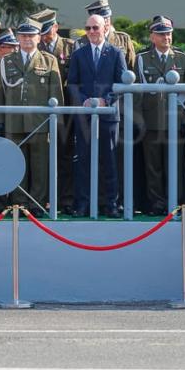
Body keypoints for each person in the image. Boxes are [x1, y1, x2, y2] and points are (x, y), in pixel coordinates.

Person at [0, 18, 63, 212]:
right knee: (16, 163)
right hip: (13, 121)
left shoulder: (49, 60)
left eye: (31, 36)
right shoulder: (7, 61)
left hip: (40, 123)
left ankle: (37, 203)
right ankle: (19, 203)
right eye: (23, 36)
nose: (27, 40)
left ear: (39, 38)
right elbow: (0, 92)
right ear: (17, 38)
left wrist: (56, 122)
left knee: (40, 165)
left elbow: (56, 94)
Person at [67, 14, 127, 217]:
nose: (91, 32)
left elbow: (121, 83)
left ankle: (110, 203)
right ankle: (83, 204)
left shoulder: (116, 53)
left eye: (95, 28)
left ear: (105, 27)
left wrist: (106, 101)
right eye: (88, 28)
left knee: (109, 161)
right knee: (83, 160)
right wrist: (84, 100)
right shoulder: (79, 54)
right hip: (84, 116)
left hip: (108, 116)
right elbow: (72, 83)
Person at [134, 15, 185, 215]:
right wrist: (138, 120)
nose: (166, 38)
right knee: (153, 167)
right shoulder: (141, 59)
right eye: (161, 34)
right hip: (150, 122)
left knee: (174, 166)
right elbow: (137, 94)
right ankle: (156, 204)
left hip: (175, 122)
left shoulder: (182, 58)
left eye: (168, 34)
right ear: (152, 37)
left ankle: (174, 203)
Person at [34, 8, 78, 215]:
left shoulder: (70, 47)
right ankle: (42, 198)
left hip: (65, 110)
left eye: (47, 30)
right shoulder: (36, 47)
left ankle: (66, 198)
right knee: (41, 156)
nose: (44, 35)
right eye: (40, 31)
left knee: (65, 155)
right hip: (41, 111)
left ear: (56, 27)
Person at [80, 0, 136, 71]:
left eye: (107, 19)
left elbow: (131, 66)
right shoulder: (82, 41)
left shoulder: (123, 39)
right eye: (102, 20)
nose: (106, 22)